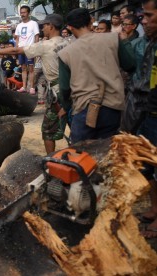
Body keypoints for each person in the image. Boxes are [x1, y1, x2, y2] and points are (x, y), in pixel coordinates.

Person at [0, 14, 69, 154]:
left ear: (51, 26)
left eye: (44, 26)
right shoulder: (67, 42)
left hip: (58, 93)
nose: (42, 29)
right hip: (71, 89)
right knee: (75, 126)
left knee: (47, 131)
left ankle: (50, 159)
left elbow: (16, 50)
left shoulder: (46, 45)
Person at [58, 8, 136, 144]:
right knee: (108, 154)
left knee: (80, 155)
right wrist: (125, 41)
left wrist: (66, 106)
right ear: (91, 22)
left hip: (83, 108)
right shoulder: (113, 39)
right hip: (112, 107)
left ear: (70, 27)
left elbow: (64, 89)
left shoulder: (65, 53)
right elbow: (130, 65)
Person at [119, 0, 157, 238]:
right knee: (149, 165)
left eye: (149, 16)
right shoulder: (147, 43)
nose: (144, 20)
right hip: (146, 113)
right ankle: (154, 208)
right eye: (142, 16)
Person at [14, 5, 39, 94]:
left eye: (24, 12)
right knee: (23, 68)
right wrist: (16, 48)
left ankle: (32, 87)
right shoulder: (19, 25)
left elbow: (36, 36)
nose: (22, 14)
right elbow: (17, 38)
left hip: (30, 49)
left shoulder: (33, 23)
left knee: (31, 69)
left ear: (28, 13)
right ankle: (24, 86)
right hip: (21, 49)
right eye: (21, 13)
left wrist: (35, 48)